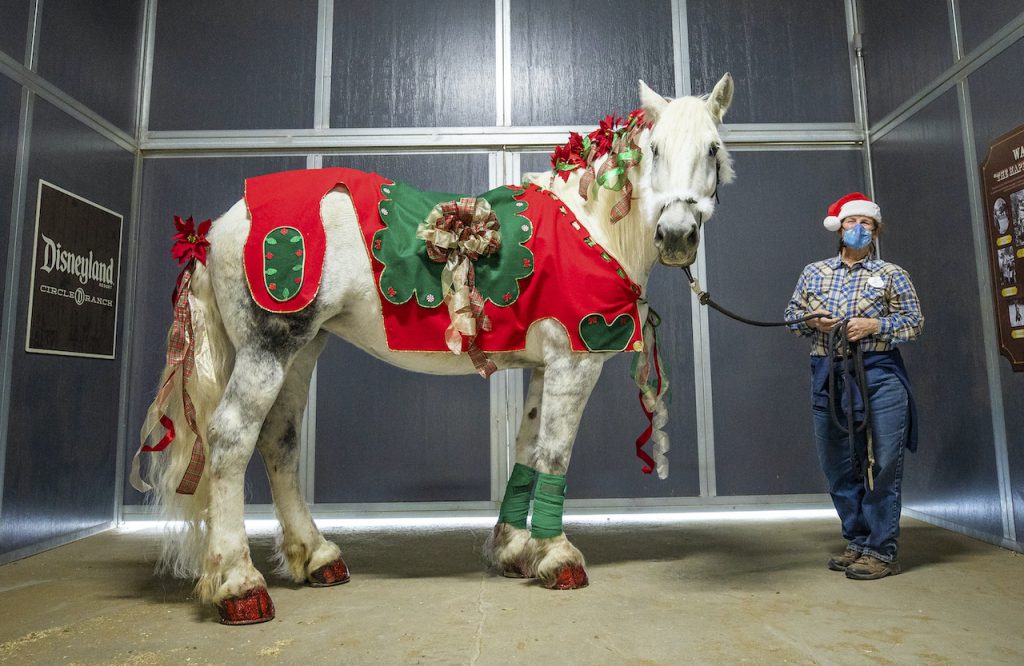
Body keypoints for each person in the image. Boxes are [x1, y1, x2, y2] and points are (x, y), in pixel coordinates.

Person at [784, 192, 923, 580]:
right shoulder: (814, 272)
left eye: (867, 224)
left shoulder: (894, 274)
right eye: (851, 223)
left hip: (879, 374)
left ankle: (882, 549)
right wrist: (813, 322)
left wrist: (876, 326)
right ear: (839, 228)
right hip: (828, 373)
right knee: (838, 464)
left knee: (886, 461)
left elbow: (914, 321)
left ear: (876, 231)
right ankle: (858, 539)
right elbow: (791, 317)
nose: (858, 229)